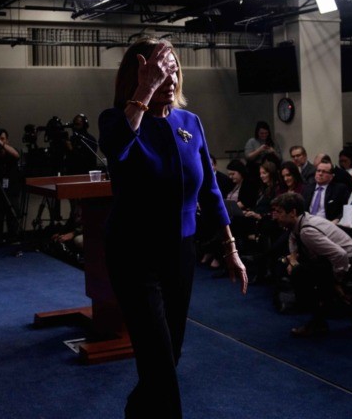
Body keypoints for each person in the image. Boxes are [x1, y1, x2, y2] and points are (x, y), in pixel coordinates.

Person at [97, 37, 247, 419]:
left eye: (174, 68)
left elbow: (211, 189)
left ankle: (136, 413)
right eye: (159, 70)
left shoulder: (189, 122)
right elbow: (117, 148)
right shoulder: (116, 119)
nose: (170, 75)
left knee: (168, 356)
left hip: (180, 252)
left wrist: (230, 247)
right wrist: (144, 90)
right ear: (138, 75)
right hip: (133, 253)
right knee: (159, 359)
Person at [271, 192, 352, 337]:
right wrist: (292, 260)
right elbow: (292, 240)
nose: (274, 216)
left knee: (300, 274)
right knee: (297, 268)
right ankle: (321, 317)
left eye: (278, 212)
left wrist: (337, 282)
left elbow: (340, 256)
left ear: (292, 213)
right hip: (339, 262)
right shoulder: (301, 222)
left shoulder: (307, 231)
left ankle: (319, 321)